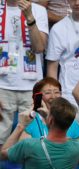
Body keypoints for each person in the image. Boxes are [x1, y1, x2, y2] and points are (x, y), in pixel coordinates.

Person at [0, 0, 49, 145]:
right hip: (2, 86)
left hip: (34, 88)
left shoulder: (39, 10)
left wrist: (29, 17)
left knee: (34, 138)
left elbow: (39, 47)